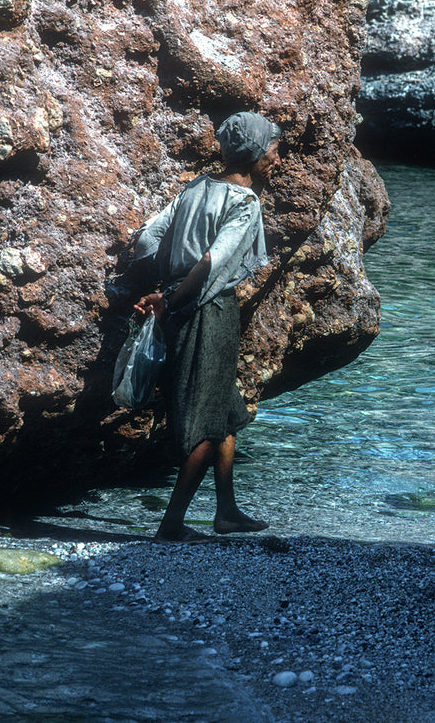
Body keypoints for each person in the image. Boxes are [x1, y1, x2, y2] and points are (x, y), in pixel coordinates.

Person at [132, 111, 281, 543]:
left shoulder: (196, 186)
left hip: (180, 304)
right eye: (273, 149)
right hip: (208, 309)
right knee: (206, 422)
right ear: (254, 154)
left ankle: (227, 511)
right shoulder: (244, 202)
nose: (277, 157)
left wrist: (163, 287)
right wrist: (174, 298)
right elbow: (214, 259)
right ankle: (172, 524)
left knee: (223, 409)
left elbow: (147, 237)